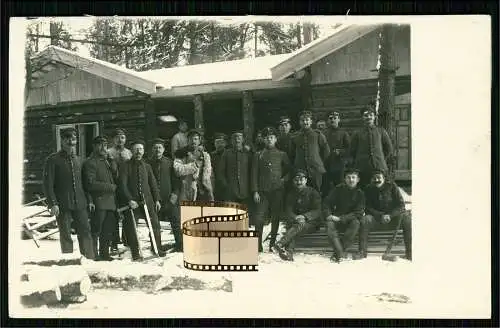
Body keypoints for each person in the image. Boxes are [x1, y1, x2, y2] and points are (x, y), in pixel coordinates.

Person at [42, 127, 95, 260]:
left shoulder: (80, 160)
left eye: (74, 139)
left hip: (80, 202)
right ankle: (69, 261)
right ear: (62, 140)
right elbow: (48, 184)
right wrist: (53, 203)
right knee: (65, 233)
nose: (71, 141)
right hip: (62, 203)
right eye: (68, 139)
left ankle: (88, 259)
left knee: (85, 231)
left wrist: (89, 200)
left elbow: (85, 184)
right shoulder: (52, 160)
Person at [119, 139, 165, 261]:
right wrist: (129, 200)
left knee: (155, 224)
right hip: (133, 203)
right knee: (131, 228)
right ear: (132, 151)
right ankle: (135, 252)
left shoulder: (147, 166)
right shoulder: (125, 166)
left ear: (144, 151)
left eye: (140, 149)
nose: (138, 152)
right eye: (136, 149)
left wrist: (157, 200)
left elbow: (153, 184)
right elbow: (122, 185)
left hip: (148, 202)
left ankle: (157, 248)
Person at [251, 127, 291, 252]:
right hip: (262, 191)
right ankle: (258, 245)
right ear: (263, 139)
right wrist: (255, 191)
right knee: (259, 217)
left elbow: (289, 171)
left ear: (276, 139)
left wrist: (283, 180)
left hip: (277, 190)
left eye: (272, 137)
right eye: (267, 137)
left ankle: (272, 243)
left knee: (275, 216)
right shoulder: (258, 155)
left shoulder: (281, 154)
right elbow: (254, 174)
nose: (269, 139)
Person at [271, 169, 322, 261]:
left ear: (306, 180)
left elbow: (318, 210)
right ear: (293, 181)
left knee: (297, 226)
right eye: (296, 180)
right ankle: (289, 254)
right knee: (295, 227)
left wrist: (305, 216)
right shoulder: (291, 194)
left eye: (301, 180)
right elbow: (288, 210)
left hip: (311, 223)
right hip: (296, 222)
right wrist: (295, 217)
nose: (299, 182)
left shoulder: (313, 193)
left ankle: (280, 243)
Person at [82, 136, 118, 261]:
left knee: (107, 230)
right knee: (96, 230)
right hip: (99, 201)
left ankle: (105, 254)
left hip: (110, 202)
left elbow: (115, 175)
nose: (104, 148)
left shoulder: (106, 161)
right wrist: (110, 187)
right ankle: (94, 255)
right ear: (94, 146)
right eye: (100, 145)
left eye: (105, 145)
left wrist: (112, 161)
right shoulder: (90, 162)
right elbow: (90, 184)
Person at [362, 170, 412, 260]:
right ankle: (362, 252)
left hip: (393, 221)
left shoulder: (392, 187)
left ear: (384, 178)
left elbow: (401, 205)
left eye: (379, 177)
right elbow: (367, 208)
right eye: (374, 178)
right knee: (365, 219)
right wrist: (380, 216)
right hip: (377, 221)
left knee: (407, 219)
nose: (376, 180)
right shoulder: (368, 189)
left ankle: (410, 253)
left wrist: (390, 215)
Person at [322, 167, 365, 262]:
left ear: (358, 180)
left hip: (351, 220)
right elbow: (326, 203)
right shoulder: (338, 189)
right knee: (329, 225)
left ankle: (337, 253)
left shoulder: (360, 194)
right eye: (348, 177)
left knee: (356, 224)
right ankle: (340, 253)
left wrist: (341, 218)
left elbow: (359, 212)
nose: (351, 180)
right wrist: (329, 214)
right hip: (336, 217)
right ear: (345, 179)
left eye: (353, 177)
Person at [148, 138, 182, 252]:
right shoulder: (147, 163)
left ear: (163, 149)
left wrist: (174, 195)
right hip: (154, 200)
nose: (157, 150)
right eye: (155, 147)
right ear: (152, 149)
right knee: (155, 225)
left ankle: (180, 245)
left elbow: (176, 181)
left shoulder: (169, 162)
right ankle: (156, 247)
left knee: (176, 222)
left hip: (169, 198)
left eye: (160, 147)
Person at [350, 106, 394, 188]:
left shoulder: (381, 131)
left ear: (374, 117)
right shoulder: (357, 133)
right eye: (366, 115)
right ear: (362, 118)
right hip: (362, 168)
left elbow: (388, 149)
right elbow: (352, 151)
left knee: (380, 188)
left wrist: (381, 159)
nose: (368, 117)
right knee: (364, 188)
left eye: (371, 115)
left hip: (379, 167)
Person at [290, 110, 330, 192]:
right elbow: (292, 153)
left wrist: (318, 162)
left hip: (316, 170)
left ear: (311, 121)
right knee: (301, 192)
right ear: (299, 122)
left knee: (317, 192)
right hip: (301, 170)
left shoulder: (318, 134)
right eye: (302, 120)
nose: (305, 122)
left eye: (307, 120)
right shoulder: (295, 136)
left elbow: (326, 151)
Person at [107, 128, 132, 251]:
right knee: (113, 214)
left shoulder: (129, 153)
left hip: (125, 187)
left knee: (127, 213)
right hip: (113, 187)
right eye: (117, 137)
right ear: (113, 139)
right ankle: (114, 242)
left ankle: (127, 240)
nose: (120, 140)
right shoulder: (109, 152)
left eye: (122, 137)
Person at [173, 130, 214, 202]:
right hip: (187, 190)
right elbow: (177, 170)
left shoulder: (205, 155)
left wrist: (209, 189)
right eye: (191, 139)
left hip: (203, 190)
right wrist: (194, 165)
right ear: (187, 141)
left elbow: (209, 173)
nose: (193, 141)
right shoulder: (181, 154)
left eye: (195, 139)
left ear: (199, 141)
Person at [218, 131, 252, 207]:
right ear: (231, 141)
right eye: (234, 138)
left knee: (244, 214)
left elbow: (252, 171)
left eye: (239, 138)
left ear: (243, 140)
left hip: (245, 191)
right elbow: (221, 172)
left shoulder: (248, 154)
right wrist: (227, 186)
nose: (237, 140)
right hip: (230, 192)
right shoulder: (226, 153)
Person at [323, 111, 351, 196]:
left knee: (340, 187)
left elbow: (350, 149)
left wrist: (341, 152)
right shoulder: (323, 134)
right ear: (327, 121)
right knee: (326, 187)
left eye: (335, 118)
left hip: (339, 165)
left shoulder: (343, 133)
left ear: (339, 120)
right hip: (326, 165)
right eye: (330, 118)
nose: (332, 120)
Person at [210, 133, 228, 201]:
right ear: (214, 144)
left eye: (222, 142)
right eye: (217, 142)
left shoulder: (229, 154)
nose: (219, 144)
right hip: (215, 186)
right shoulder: (211, 155)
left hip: (228, 186)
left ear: (225, 143)